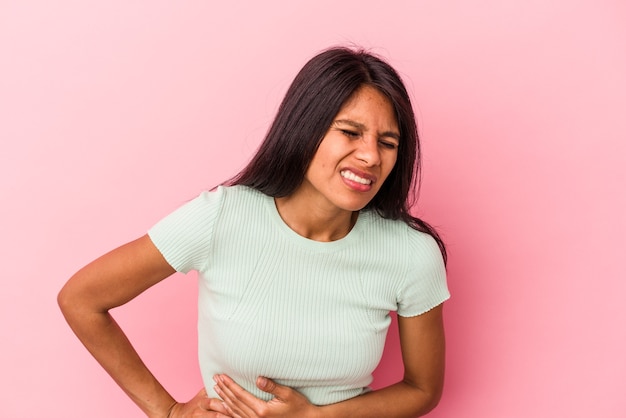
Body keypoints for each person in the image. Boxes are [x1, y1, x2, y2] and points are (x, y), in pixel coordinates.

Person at [58, 46, 450, 418]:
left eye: (387, 142)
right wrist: (168, 411)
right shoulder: (220, 218)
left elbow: (422, 389)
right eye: (349, 132)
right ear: (306, 129)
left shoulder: (411, 254)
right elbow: (81, 300)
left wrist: (316, 417)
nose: (370, 156)